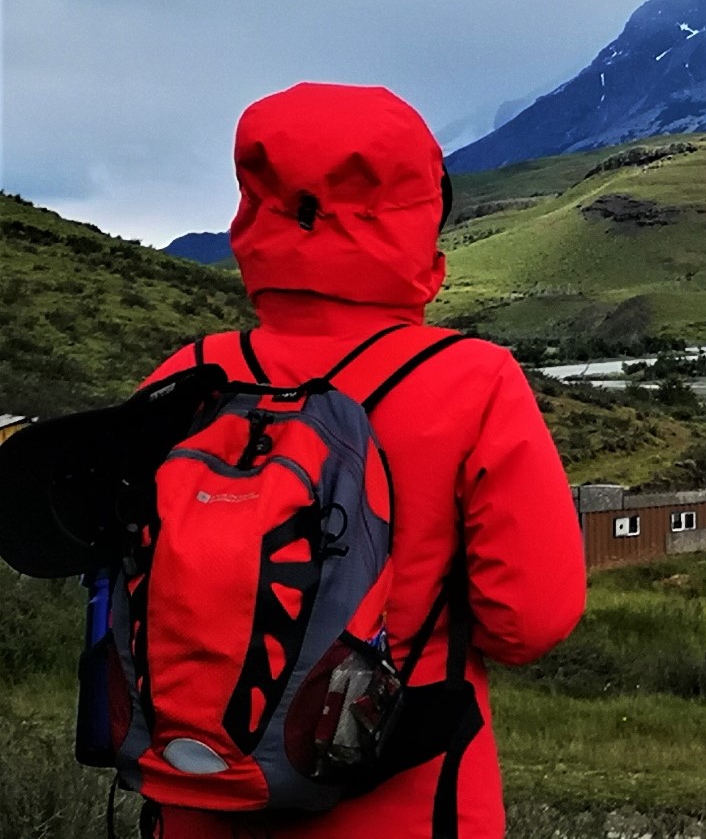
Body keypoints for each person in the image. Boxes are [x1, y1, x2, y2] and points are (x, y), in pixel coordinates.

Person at [141, 82, 586, 838]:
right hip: (409, 801)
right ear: (416, 217)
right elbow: (530, 621)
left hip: (201, 797)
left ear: (257, 208)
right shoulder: (472, 380)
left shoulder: (185, 377)